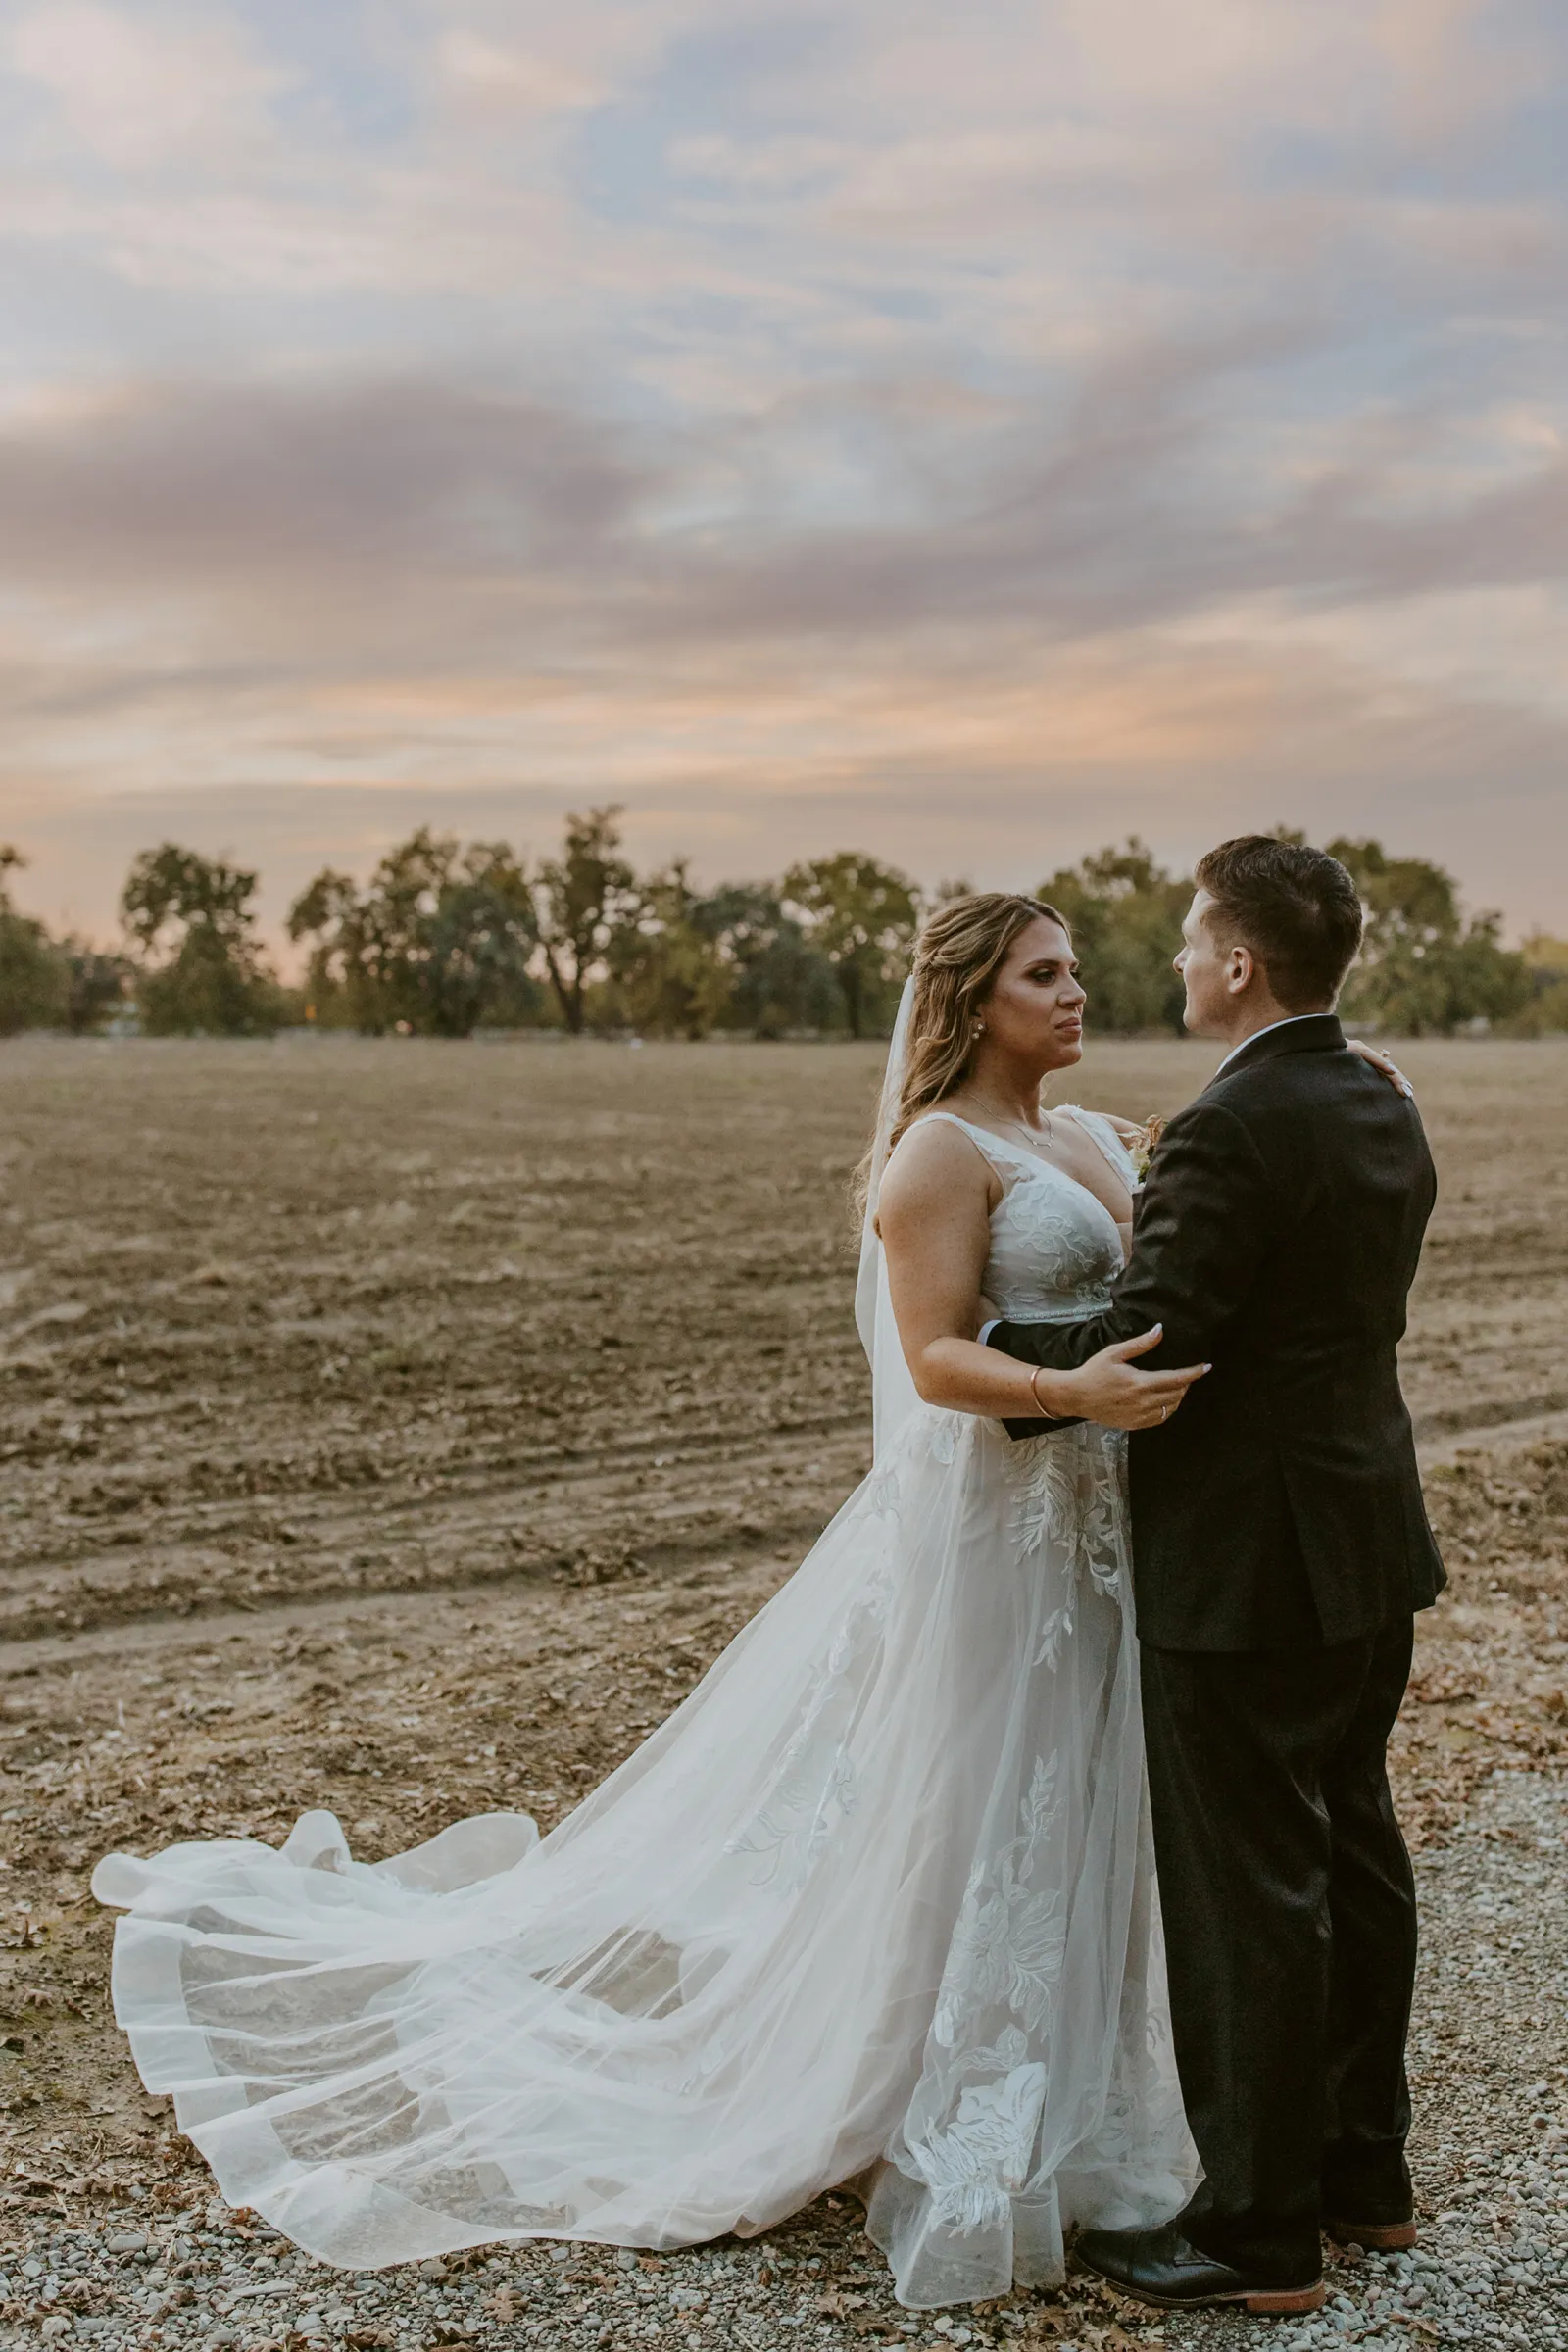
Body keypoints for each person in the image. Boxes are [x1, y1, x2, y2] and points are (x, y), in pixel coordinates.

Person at [91, 890, 1209, 2312]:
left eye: (1076, 970)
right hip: (997, 1537)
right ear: (970, 998)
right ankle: (928, 2094)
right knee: (983, 1800)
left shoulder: (1095, 1135)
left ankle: (1089, 2094)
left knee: (1088, 1801)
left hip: (1103, 1536)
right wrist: (1071, 1394)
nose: (1076, 992)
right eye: (1042, 974)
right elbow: (933, 1359)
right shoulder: (938, 1152)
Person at [985, 836, 1444, 2317]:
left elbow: (1155, 1343)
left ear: (1239, 962)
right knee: (1355, 1854)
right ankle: (1365, 2179)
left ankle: (1256, 2233)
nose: (1176, 963)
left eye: (1192, 940)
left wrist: (975, 1368)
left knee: (1251, 1888)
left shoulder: (1227, 1129)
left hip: (1246, 1563)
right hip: (1368, 1539)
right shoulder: (1382, 1099)